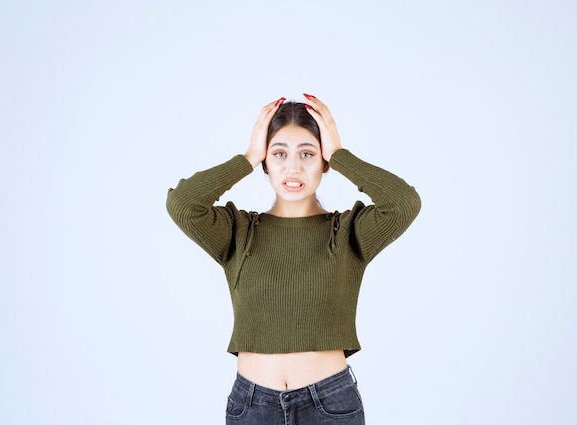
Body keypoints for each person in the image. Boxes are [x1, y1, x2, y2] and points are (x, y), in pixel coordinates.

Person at [166, 94, 421, 424]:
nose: (293, 167)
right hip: (251, 406)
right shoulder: (238, 231)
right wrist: (247, 157)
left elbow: (402, 203)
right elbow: (184, 205)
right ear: (266, 162)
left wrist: (341, 155)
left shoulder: (348, 231)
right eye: (279, 153)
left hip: (329, 404)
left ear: (324, 162)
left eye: (308, 154)